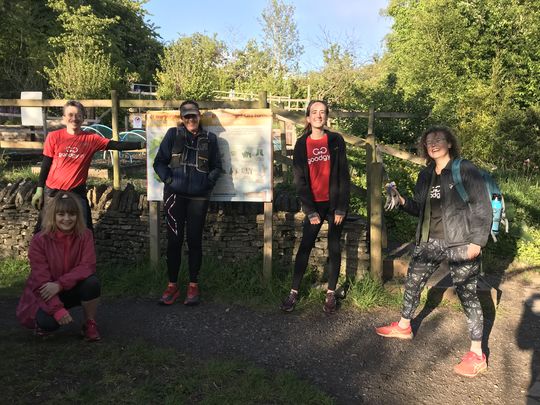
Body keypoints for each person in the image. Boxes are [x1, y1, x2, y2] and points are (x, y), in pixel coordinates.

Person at [375, 126, 492, 377]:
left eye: (438, 139)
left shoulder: (465, 169)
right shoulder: (425, 175)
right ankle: (405, 326)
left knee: (467, 294)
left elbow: (482, 206)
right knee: (413, 281)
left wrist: (477, 242)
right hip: (429, 241)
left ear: (449, 143)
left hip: (462, 241)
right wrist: (402, 200)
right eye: (429, 141)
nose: (433, 144)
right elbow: (420, 208)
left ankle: (477, 353)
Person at [281, 100, 351, 314]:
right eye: (314, 112)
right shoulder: (302, 143)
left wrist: (341, 207)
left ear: (326, 116)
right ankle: (293, 291)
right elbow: (299, 179)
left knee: (334, 246)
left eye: (322, 112)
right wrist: (309, 210)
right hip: (314, 204)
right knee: (305, 246)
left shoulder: (336, 140)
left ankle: (330, 293)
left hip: (334, 204)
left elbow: (343, 175)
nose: (319, 115)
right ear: (308, 118)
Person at [31, 100, 146, 231]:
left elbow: (116, 145)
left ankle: (85, 251)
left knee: (85, 230)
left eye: (78, 115)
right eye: (70, 115)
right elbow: (46, 164)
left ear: (83, 118)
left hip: (76, 191)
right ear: (64, 118)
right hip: (53, 191)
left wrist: (141, 144)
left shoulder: (91, 139)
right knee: (43, 229)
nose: (74, 118)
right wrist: (39, 189)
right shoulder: (54, 137)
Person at [153, 100, 222, 306]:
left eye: (194, 115)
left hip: (199, 198)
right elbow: (159, 162)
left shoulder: (210, 139)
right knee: (174, 241)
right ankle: (172, 285)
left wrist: (207, 183)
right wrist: (170, 180)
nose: (191, 119)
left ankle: (193, 285)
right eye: (187, 116)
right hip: (174, 196)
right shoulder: (172, 135)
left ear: (199, 116)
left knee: (194, 241)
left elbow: (217, 166)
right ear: (181, 118)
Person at [16, 192, 102, 341]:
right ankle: (43, 322)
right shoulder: (39, 240)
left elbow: (88, 266)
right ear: (53, 216)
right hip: (46, 291)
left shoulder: (85, 235)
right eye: (61, 214)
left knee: (92, 283)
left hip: (67, 286)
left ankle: (89, 323)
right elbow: (40, 279)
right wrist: (57, 310)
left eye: (72, 214)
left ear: (78, 216)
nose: (67, 219)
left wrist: (60, 284)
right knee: (48, 324)